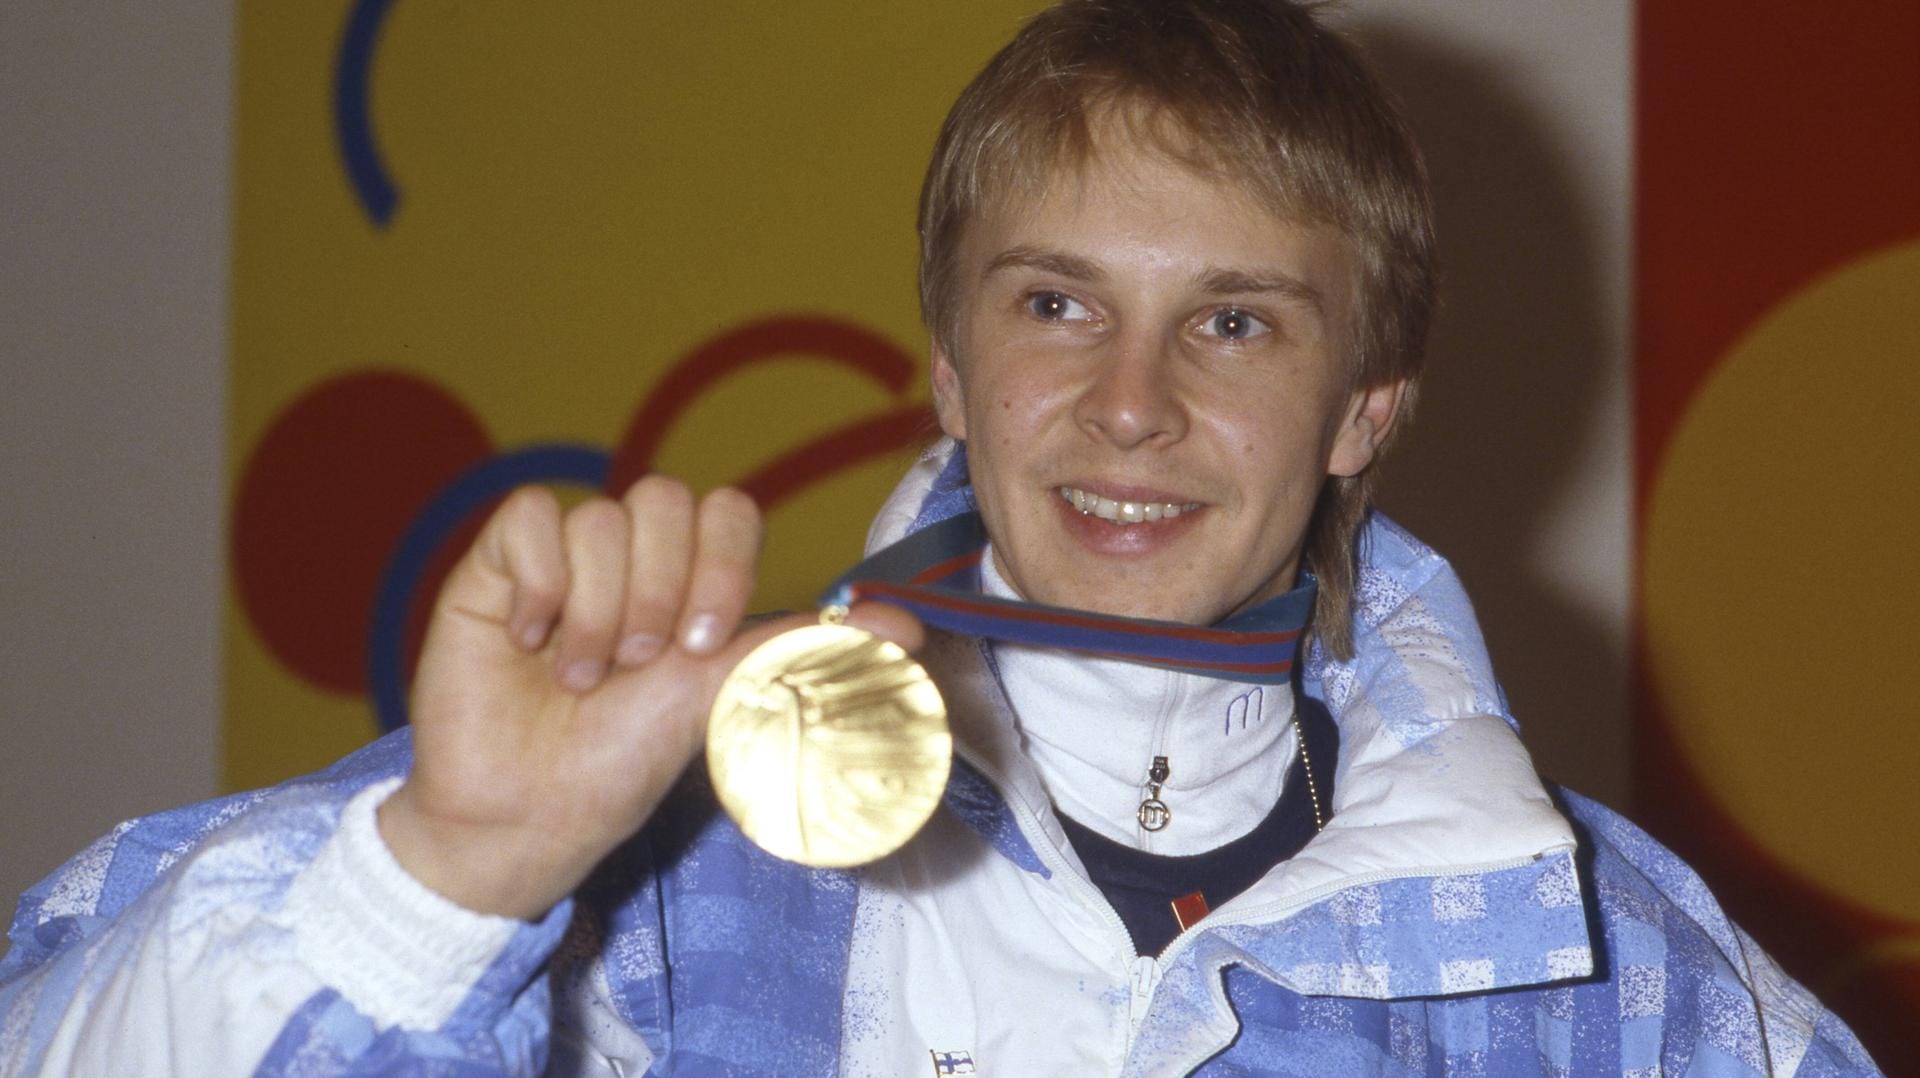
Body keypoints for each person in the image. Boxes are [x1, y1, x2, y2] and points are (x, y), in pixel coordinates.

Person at [0, 1, 1881, 1074]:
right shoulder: (626, 857)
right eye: (1056, 305)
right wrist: (445, 875)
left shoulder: (1607, 973)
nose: (1128, 403)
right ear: (951, 374)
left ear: (1365, 408)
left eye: (1233, 322)